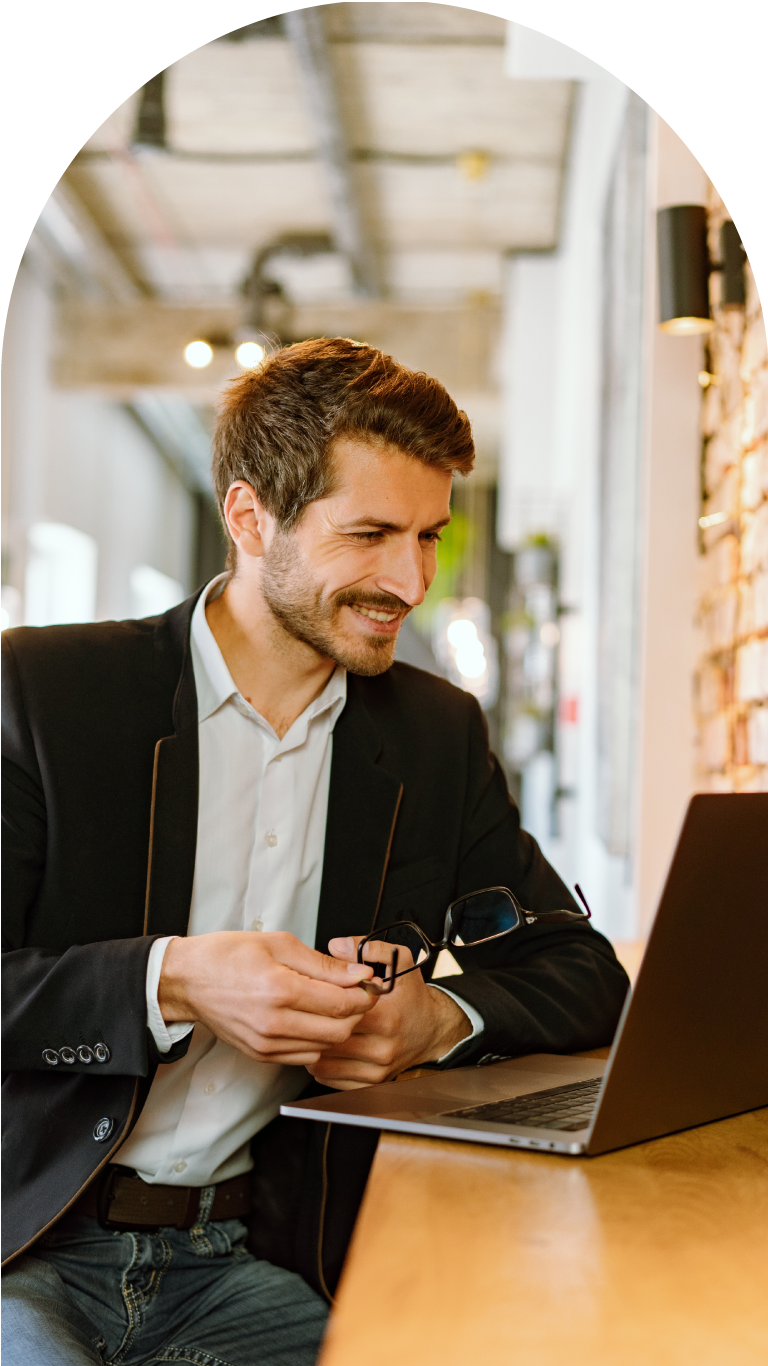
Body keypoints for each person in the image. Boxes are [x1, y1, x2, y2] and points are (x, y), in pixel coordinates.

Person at [1, 338, 629, 1365]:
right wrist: (170, 980)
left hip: (252, 1263)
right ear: (251, 518)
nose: (411, 580)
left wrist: (437, 1019)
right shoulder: (42, 692)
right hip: (27, 1242)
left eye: (429, 536)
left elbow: (582, 972)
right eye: (370, 533)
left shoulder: (434, 739)